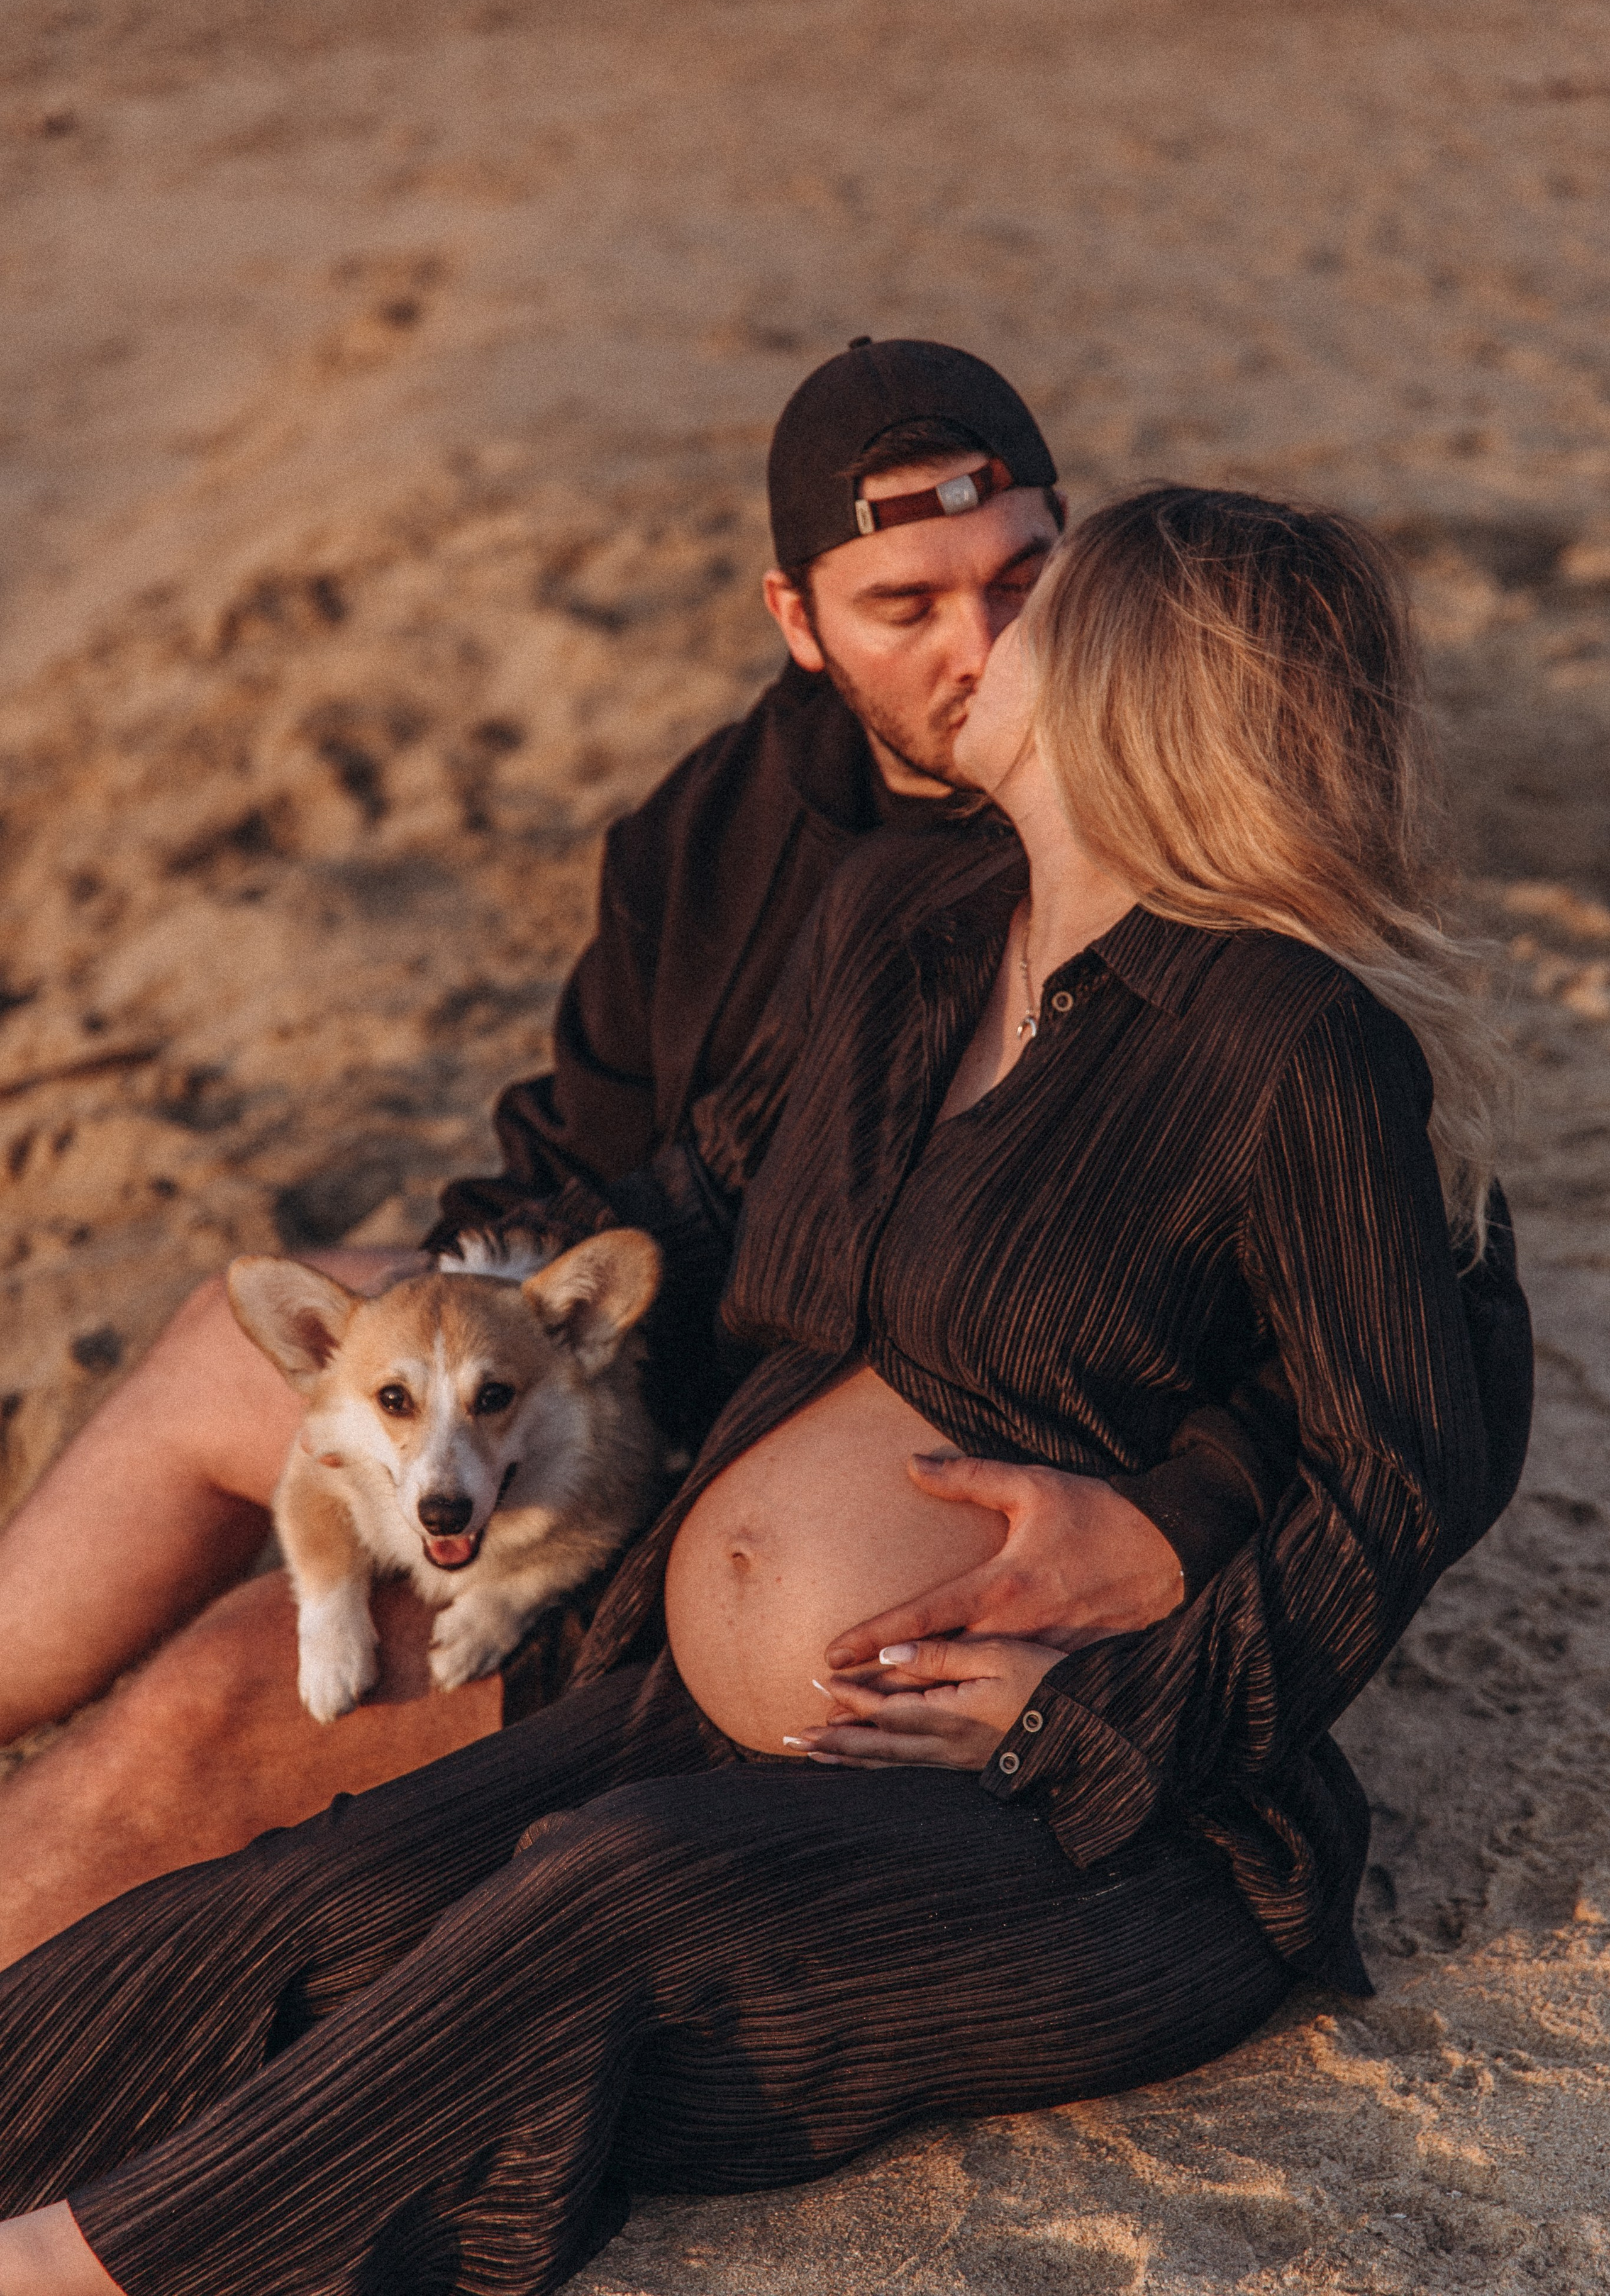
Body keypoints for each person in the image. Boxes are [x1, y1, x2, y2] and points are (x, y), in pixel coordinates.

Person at [0, 485, 1531, 2296]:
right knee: (300, 1902)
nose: (981, 645)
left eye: (1034, 606)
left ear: (1124, 683)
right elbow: (697, 1213)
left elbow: (1406, 1455)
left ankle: (65, 2275)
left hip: (1083, 1827)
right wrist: (449, 1319)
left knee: (604, 1886)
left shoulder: (1290, 1041)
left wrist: (1088, 1709)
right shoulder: (913, 925)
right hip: (698, 1707)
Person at [0, 347, 1277, 1956]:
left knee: (208, 1706)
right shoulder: (719, 815)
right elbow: (574, 1138)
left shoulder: (1141, 830)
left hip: (755, 1499)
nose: (985, 647)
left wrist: (1184, 1515)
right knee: (226, 1346)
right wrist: (483, 1323)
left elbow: (1363, 1285)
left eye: (1024, 578)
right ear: (797, 621)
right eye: (908, 606)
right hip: (620, 1357)